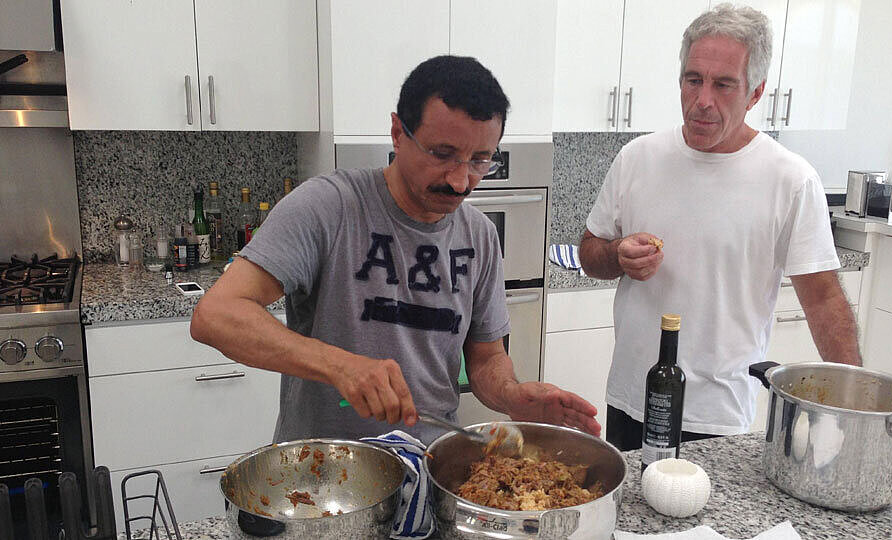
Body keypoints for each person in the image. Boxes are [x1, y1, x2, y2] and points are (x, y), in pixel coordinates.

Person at [190, 55, 601, 444]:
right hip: (325, 469)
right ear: (398, 133)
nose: (460, 182)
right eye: (442, 154)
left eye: (480, 160)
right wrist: (339, 365)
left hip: (429, 465)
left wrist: (512, 395)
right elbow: (216, 315)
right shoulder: (327, 207)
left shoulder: (480, 235)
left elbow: (486, 358)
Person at [579, 4, 861, 451]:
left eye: (723, 84)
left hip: (720, 413)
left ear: (755, 93)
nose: (703, 100)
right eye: (693, 80)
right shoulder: (638, 158)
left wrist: (856, 405)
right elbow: (589, 253)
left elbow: (824, 298)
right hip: (633, 399)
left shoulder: (790, 180)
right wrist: (616, 255)